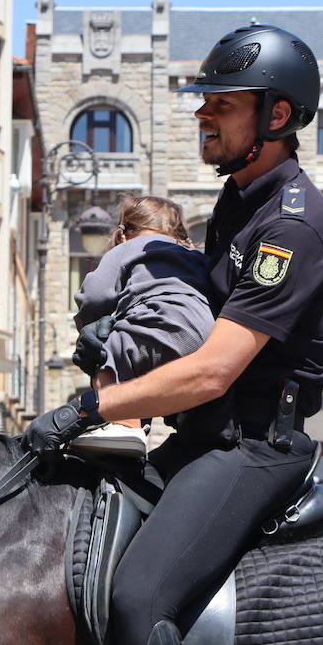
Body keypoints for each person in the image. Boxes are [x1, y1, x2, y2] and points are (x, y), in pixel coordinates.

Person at [25, 24, 323, 645]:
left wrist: (86, 410)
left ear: (275, 117)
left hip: (253, 449)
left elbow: (211, 372)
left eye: (223, 105)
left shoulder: (291, 225)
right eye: (204, 102)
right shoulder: (237, 202)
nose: (204, 116)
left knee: (139, 601)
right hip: (204, 440)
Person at [70, 195, 215, 455]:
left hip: (160, 322)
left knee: (108, 350)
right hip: (208, 339)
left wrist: (87, 326)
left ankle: (123, 425)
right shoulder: (194, 255)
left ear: (123, 233)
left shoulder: (129, 247)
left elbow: (95, 295)